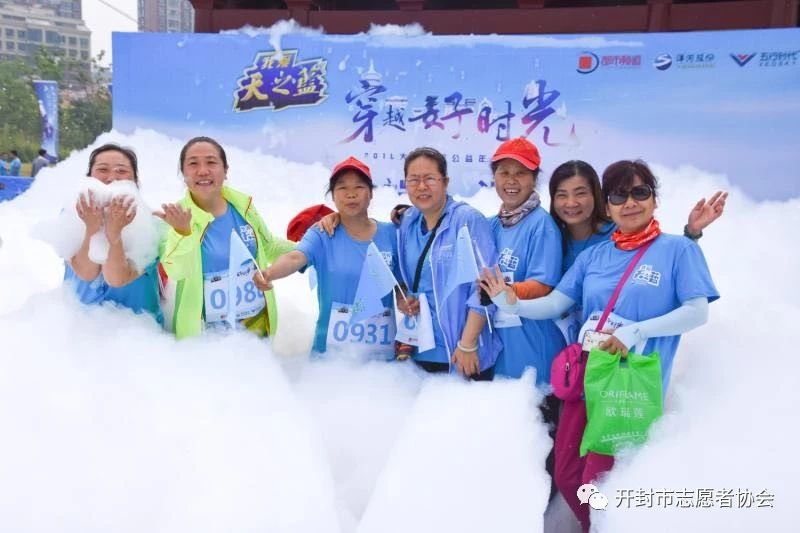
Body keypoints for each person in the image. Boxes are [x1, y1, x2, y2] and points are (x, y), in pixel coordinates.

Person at [480, 160, 719, 532]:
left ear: (655, 199)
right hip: (587, 380)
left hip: (630, 384)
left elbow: (696, 312)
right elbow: (556, 303)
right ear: (607, 205)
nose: (630, 203)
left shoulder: (678, 249)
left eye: (640, 192)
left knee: (602, 478)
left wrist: (635, 333)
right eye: (619, 196)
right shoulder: (594, 255)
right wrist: (511, 304)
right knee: (568, 473)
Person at [253, 157, 399, 360]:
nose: (351, 194)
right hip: (330, 361)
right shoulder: (322, 234)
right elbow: (295, 257)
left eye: (359, 186)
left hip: (381, 361)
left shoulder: (392, 234)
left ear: (371, 193)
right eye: (342, 188)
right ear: (333, 196)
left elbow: (406, 279)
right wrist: (269, 274)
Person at [157, 136, 295, 339]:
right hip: (205, 339)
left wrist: (312, 249)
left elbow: (270, 247)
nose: (203, 171)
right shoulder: (176, 217)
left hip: (256, 331)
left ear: (225, 170)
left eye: (211, 162)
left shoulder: (243, 207)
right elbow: (176, 271)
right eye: (193, 164)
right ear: (183, 173)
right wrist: (182, 233)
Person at [396, 147, 500, 379]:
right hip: (419, 349)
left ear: (445, 182)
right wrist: (403, 299)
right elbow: (403, 277)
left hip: (461, 353)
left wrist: (468, 343)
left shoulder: (467, 220)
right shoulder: (408, 222)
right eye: (414, 180)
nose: (421, 186)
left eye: (429, 179)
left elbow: (488, 286)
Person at [64, 143, 161, 321]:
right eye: (103, 169)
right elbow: (86, 272)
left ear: (135, 182)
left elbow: (117, 278)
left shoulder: (151, 224)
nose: (112, 178)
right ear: (89, 177)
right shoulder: (71, 215)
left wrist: (114, 233)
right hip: (80, 324)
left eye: (121, 171)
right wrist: (91, 229)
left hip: (136, 327)